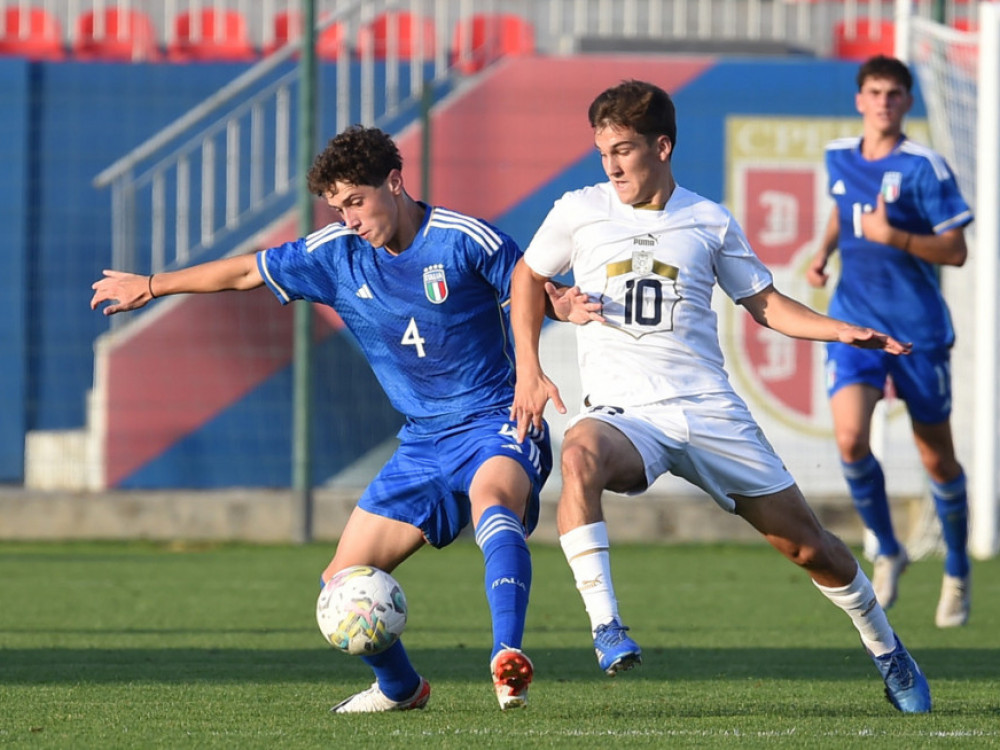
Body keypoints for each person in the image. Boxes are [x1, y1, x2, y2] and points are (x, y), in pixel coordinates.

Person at [91, 125, 562, 713]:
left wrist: (548, 334)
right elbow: (243, 272)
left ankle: (505, 658)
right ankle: (400, 689)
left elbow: (527, 281)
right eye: (338, 208)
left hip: (495, 417)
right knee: (341, 583)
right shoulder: (335, 255)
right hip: (421, 443)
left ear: (394, 182)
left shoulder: (460, 238)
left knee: (494, 500)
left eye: (356, 203)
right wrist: (153, 286)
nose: (349, 219)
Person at [509, 79, 932, 713]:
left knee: (809, 545)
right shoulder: (579, 209)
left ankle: (888, 649)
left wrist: (839, 329)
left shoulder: (707, 220)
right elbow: (528, 276)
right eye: (603, 153)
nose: (613, 165)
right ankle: (606, 626)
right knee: (579, 456)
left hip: (708, 410)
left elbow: (763, 304)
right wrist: (529, 368)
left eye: (624, 149)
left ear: (663, 144)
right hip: (627, 414)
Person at [807, 55, 973, 628]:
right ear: (860, 99)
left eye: (894, 93)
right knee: (851, 440)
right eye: (874, 91)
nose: (883, 101)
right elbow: (841, 206)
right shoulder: (839, 155)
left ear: (906, 102)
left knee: (937, 456)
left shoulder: (925, 167)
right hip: (854, 323)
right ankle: (887, 546)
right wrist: (824, 252)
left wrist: (893, 234)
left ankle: (956, 569)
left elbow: (955, 250)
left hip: (918, 331)